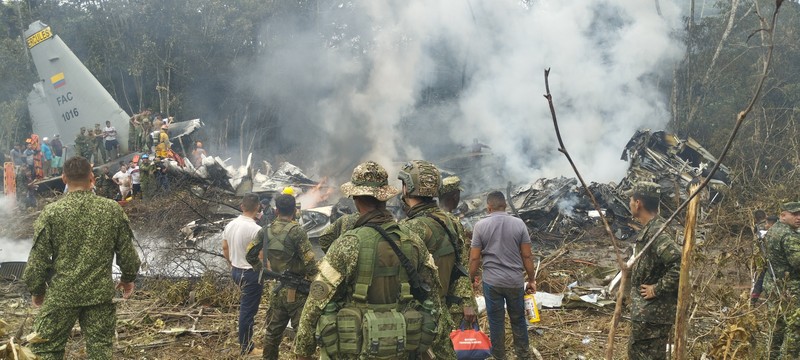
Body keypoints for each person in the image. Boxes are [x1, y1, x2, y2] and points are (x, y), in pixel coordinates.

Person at [295, 161, 444, 360]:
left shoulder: (347, 244)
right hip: (402, 349)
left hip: (356, 349)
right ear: (385, 197)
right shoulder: (414, 242)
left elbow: (316, 300)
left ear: (356, 199)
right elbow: (433, 298)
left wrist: (303, 350)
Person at [22, 156, 141, 359]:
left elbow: (37, 260)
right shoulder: (111, 209)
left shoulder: (52, 213)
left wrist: (37, 290)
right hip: (99, 296)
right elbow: (127, 253)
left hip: (62, 296)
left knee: (46, 350)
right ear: (92, 177)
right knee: (100, 350)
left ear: (64, 178)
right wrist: (128, 278)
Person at [398, 160, 469, 360]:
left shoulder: (410, 228)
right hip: (446, 310)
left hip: (418, 318)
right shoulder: (451, 221)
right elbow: (462, 268)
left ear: (407, 188)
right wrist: (466, 304)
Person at [246, 194, 318, 359]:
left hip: (277, 288)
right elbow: (310, 263)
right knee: (302, 333)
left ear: (276, 210)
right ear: (294, 211)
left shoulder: (265, 230)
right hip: (298, 292)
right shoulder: (297, 231)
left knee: (272, 333)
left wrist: (262, 269)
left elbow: (250, 254)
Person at [469, 190, 536, 360]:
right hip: (514, 281)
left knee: (495, 321)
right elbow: (527, 255)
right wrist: (531, 279)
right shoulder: (519, 224)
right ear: (505, 206)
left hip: (492, 283)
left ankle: (499, 356)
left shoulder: (480, 226)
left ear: (488, 208)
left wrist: (471, 278)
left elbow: (475, 257)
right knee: (518, 319)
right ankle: (523, 355)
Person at [625, 182, 681, 360]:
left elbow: (679, 264)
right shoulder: (653, 228)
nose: (629, 203)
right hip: (648, 315)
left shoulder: (658, 233)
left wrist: (656, 289)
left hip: (652, 315)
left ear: (638, 203)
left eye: (631, 199)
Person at [222, 193, 264, 356]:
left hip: (236, 271)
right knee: (248, 311)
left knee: (246, 308)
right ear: (258, 207)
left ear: (242, 207)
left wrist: (231, 263)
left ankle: (245, 342)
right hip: (250, 274)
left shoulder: (230, 225)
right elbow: (260, 255)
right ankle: (247, 348)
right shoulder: (256, 230)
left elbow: (225, 247)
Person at [439, 176, 478, 327]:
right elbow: (461, 264)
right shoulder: (452, 223)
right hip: (454, 300)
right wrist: (467, 302)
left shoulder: (426, 220)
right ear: (455, 196)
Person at [764, 202, 800, 359]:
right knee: (795, 326)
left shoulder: (773, 230)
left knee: (777, 325)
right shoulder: (788, 235)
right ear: (783, 215)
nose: (798, 217)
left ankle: (772, 356)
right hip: (790, 287)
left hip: (773, 284)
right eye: (794, 214)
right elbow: (797, 262)